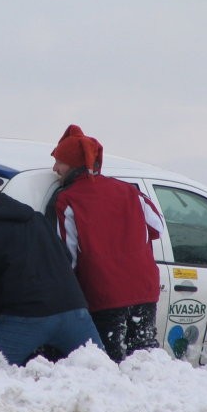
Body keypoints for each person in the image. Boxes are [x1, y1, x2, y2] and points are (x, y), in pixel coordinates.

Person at [0, 169, 104, 365]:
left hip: (25, 318)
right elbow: (66, 257)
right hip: (74, 311)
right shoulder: (35, 218)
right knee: (102, 372)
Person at [50, 125, 164, 363]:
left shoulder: (68, 199)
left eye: (59, 161)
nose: (55, 168)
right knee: (146, 362)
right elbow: (157, 227)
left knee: (111, 363)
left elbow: (67, 257)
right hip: (143, 289)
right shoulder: (128, 191)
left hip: (104, 294)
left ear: (72, 164)